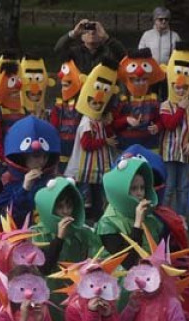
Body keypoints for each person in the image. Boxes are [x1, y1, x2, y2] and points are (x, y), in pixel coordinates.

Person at [66, 60, 119, 221]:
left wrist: (108, 125)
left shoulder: (98, 120)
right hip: (85, 169)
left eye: (99, 103)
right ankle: (83, 220)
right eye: (94, 103)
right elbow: (86, 144)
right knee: (85, 197)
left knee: (97, 196)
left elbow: (108, 132)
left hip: (97, 169)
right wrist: (104, 141)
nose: (97, 105)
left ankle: (97, 219)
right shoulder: (87, 122)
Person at [0, 115, 61, 226]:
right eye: (36, 156)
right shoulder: (9, 183)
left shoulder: (53, 181)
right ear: (23, 156)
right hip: (21, 240)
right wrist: (24, 189)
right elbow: (1, 220)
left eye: (46, 156)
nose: (42, 161)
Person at [157, 42, 189, 218]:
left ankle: (181, 216)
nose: (181, 90)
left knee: (183, 187)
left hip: (186, 153)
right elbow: (169, 124)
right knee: (169, 187)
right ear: (172, 85)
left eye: (184, 88)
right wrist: (181, 109)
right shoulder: (165, 105)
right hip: (169, 152)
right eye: (177, 87)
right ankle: (166, 215)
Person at [54, 19, 125, 74]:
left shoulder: (109, 52)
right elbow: (58, 49)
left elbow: (123, 57)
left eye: (95, 31)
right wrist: (74, 33)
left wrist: (106, 38)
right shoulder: (74, 52)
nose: (91, 32)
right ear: (81, 37)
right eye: (87, 30)